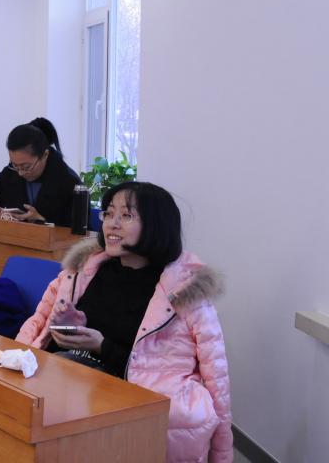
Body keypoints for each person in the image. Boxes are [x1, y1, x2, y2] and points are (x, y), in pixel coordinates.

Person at [16, 181, 232, 462]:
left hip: (125, 399)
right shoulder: (82, 271)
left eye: (126, 216)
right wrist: (60, 327)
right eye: (108, 213)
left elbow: (214, 382)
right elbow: (36, 327)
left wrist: (102, 347)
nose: (112, 224)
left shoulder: (184, 293)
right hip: (59, 383)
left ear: (155, 225)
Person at [0, 117, 79, 226]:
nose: (20, 173)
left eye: (26, 167)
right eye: (15, 165)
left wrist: (43, 220)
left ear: (45, 155)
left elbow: (80, 228)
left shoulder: (69, 182)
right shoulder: (11, 172)